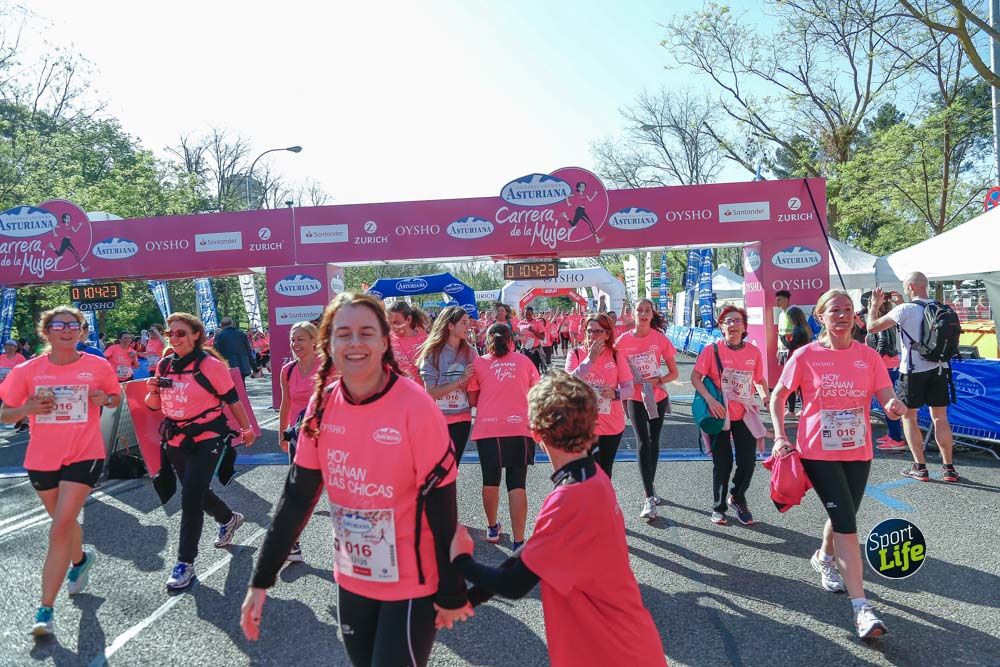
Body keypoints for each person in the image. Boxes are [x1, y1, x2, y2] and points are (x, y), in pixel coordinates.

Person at [240, 293, 471, 665]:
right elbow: (297, 497)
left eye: (366, 332)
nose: (355, 343)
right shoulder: (321, 405)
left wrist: (450, 589)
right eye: (343, 333)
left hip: (412, 581)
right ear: (328, 344)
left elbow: (441, 504)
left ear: (384, 341)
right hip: (353, 577)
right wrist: (261, 579)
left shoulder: (415, 406)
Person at [449, 371, 666, 667]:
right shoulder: (592, 478)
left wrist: (459, 559)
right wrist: (464, 601)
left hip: (607, 651)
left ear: (535, 433)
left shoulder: (568, 498)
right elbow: (524, 560)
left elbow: (514, 583)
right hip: (629, 643)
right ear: (592, 426)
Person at [770, 289, 908, 640]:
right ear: (821, 316)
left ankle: (823, 555)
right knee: (847, 524)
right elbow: (778, 396)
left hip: (858, 451)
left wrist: (893, 405)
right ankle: (862, 608)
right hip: (818, 451)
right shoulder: (805, 356)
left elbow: (884, 393)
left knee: (844, 513)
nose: (843, 315)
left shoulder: (868, 356)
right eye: (835, 310)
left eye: (848, 310)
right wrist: (779, 435)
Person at [0, 306, 119, 637]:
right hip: (42, 458)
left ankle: (45, 610)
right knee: (63, 523)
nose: (67, 330)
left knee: (59, 527)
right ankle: (80, 561)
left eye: (74, 325)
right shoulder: (27, 370)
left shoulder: (97, 365)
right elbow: (5, 414)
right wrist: (27, 409)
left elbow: (115, 396)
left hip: (85, 453)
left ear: (81, 332)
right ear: (46, 332)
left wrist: (103, 398)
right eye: (59, 325)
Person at [144, 312, 257, 591]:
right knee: (197, 492)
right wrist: (152, 391)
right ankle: (229, 518)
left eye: (181, 333)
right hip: (176, 439)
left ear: (196, 335)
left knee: (191, 498)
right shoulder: (165, 365)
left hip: (208, 436)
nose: (174, 338)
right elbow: (152, 405)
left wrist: (246, 429)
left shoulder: (211, 366)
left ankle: (185, 563)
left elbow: (233, 400)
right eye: (171, 333)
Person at [866, 273, 959, 482]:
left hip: (912, 371)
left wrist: (875, 304)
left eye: (906, 286)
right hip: (940, 368)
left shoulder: (905, 310)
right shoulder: (941, 307)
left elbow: (872, 327)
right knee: (940, 418)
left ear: (912, 287)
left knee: (909, 416)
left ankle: (920, 467)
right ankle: (949, 469)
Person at [691, 306, 769, 526]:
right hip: (719, 413)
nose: (732, 325)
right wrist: (710, 399)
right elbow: (696, 377)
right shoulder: (711, 350)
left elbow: (759, 380)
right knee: (722, 462)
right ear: (721, 326)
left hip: (744, 413)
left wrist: (765, 397)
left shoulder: (753, 353)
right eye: (727, 321)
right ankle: (719, 507)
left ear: (744, 327)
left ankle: (737, 496)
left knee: (748, 461)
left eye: (737, 321)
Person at [468, 323, 541, 549]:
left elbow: (472, 400)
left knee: (490, 480)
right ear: (512, 341)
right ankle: (519, 541)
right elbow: (537, 394)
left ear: (487, 341)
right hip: (519, 427)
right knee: (517, 484)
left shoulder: (478, 363)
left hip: (488, 429)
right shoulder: (524, 362)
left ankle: (492, 528)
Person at [616, 299, 679, 520]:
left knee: (654, 440)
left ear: (652, 315)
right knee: (643, 441)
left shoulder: (660, 339)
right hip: (634, 397)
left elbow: (674, 373)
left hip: (657, 396)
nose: (643, 314)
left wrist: (656, 381)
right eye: (639, 310)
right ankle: (649, 497)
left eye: (647, 310)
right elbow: (615, 370)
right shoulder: (622, 341)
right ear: (632, 314)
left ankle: (649, 485)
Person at [564, 313, 633, 478]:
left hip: (611, 425)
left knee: (605, 472)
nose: (592, 336)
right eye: (589, 331)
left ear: (608, 334)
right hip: (583, 425)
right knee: (586, 474)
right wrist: (590, 360)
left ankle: (604, 504)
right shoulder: (576, 354)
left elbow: (629, 389)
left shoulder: (616, 355)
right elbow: (566, 385)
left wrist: (615, 393)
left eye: (598, 332)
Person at [277, 321, 321, 563]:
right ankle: (292, 544)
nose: (295, 344)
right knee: (295, 491)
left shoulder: (328, 366)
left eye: (301, 339)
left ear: (314, 341)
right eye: (293, 340)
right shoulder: (288, 370)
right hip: (298, 437)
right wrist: (282, 433)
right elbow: (286, 403)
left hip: (327, 437)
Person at [419, 305, 476, 466]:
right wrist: (459, 381)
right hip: (438, 420)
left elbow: (474, 391)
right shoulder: (433, 353)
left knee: (453, 468)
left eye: (468, 322)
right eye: (464, 322)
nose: (468, 326)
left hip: (463, 419)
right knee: (438, 470)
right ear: (450, 326)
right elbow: (430, 393)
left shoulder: (471, 353)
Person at [866, 301, 905, 451]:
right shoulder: (885, 321)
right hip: (889, 364)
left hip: (885, 366)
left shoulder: (880, 323)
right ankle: (893, 435)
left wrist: (874, 360)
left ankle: (896, 438)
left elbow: (882, 342)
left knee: (888, 403)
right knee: (888, 403)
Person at [780, 306, 813, 417]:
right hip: (805, 359)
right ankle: (804, 408)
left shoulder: (798, 329)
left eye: (789, 317)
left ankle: (791, 410)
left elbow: (791, 345)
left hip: (796, 359)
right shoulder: (806, 327)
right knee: (801, 387)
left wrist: (782, 338)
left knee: (791, 385)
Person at [388, 301, 430, 383]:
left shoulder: (424, 338)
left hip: (422, 391)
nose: (392, 327)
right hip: (398, 390)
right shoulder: (387, 340)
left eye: (396, 322)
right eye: (389, 323)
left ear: (408, 319)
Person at [213, 317, 253, 383]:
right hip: (242, 366)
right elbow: (249, 352)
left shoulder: (219, 336)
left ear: (222, 326)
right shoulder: (242, 334)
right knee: (241, 387)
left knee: (231, 388)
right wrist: (254, 368)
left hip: (228, 367)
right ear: (232, 323)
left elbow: (215, 353)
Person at [1, 339, 29, 432]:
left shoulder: (20, 358)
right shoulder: (1, 357)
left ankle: (24, 423)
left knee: (18, 404)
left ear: (15, 347)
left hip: (15, 384)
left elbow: (25, 370)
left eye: (10, 345)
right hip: (2, 384)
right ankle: (19, 420)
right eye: (6, 345)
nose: (7, 347)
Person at [518, 306, 545, 373]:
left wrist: (534, 331)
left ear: (532, 314)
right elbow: (518, 334)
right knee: (525, 370)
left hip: (535, 351)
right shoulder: (521, 323)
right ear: (523, 314)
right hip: (525, 350)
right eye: (526, 314)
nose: (527, 316)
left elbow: (542, 337)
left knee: (535, 370)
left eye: (529, 314)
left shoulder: (537, 322)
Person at [775, 289, 793, 364]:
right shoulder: (781, 314)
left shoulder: (792, 311)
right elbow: (780, 333)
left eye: (779, 300)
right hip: (783, 348)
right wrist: (779, 349)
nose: (777, 302)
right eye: (776, 300)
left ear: (786, 300)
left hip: (791, 348)